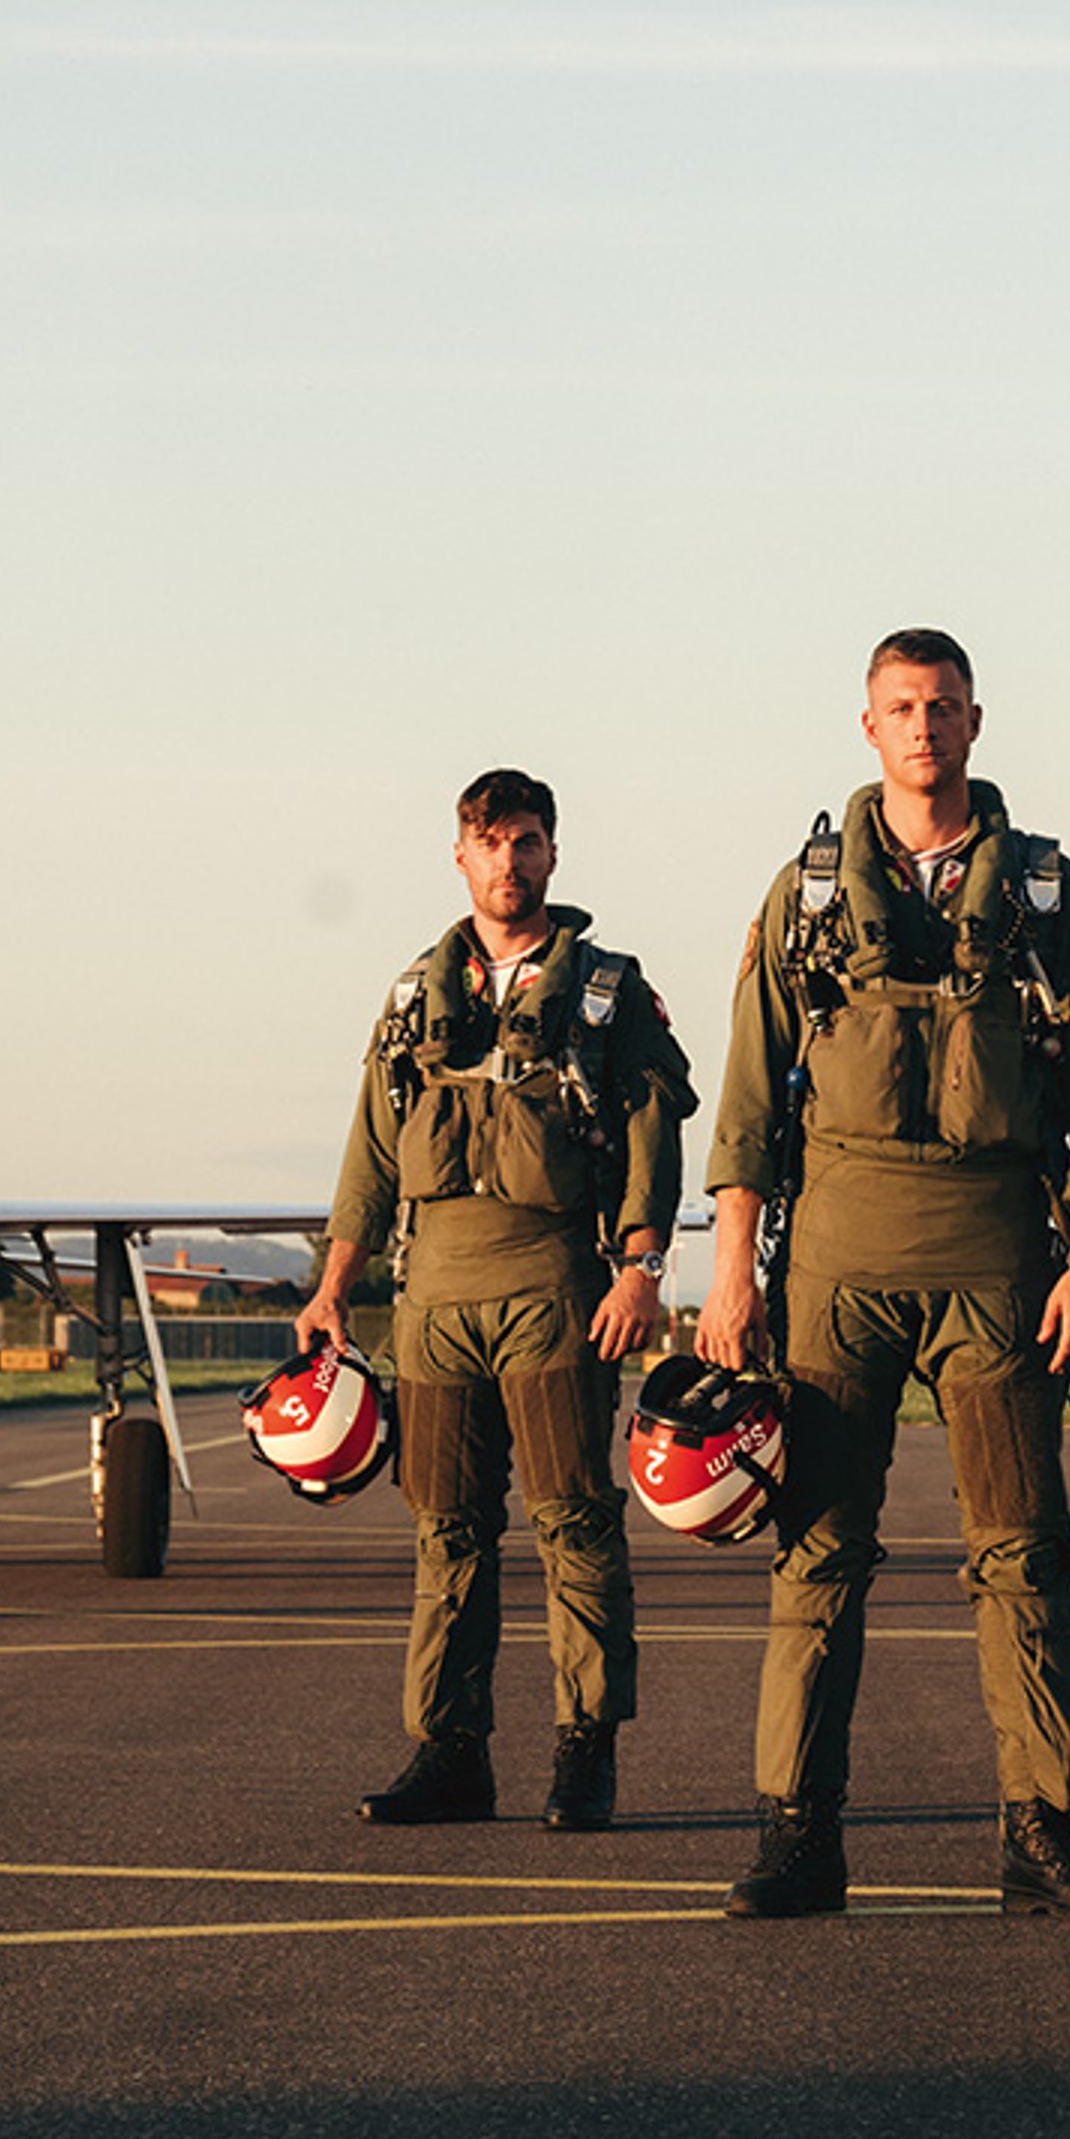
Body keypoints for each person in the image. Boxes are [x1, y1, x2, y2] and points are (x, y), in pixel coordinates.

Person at [695, 630, 1070, 1919]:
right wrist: (732, 1272)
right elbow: (745, 1100)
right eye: (902, 708)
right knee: (819, 1550)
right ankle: (797, 1831)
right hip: (837, 1263)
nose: (924, 728)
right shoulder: (806, 895)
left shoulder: (1049, 895)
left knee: (1021, 1550)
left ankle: (1041, 1826)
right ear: (869, 726)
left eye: (943, 707)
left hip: (1000, 1261)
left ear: (976, 721)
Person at [297, 769, 693, 1833]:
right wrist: (334, 1289)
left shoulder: (606, 991)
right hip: (434, 1303)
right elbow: (370, 1156)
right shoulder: (412, 1000)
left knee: (573, 1522)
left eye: (525, 842)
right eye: (487, 843)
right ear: (459, 858)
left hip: (555, 1287)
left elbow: (654, 1137)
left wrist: (641, 1269)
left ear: (552, 854)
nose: (507, 863)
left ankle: (584, 1750)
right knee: (447, 1531)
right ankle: (450, 1751)